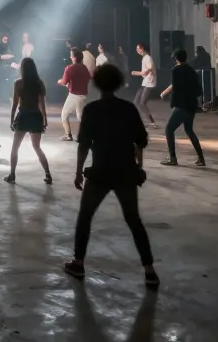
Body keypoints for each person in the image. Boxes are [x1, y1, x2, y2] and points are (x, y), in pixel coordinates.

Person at [64, 63, 159, 288]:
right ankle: (149, 270)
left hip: (100, 172)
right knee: (133, 220)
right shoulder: (128, 109)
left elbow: (84, 145)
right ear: (117, 83)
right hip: (125, 171)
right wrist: (139, 166)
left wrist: (78, 172)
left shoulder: (92, 110)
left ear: (97, 84)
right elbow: (141, 140)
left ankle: (78, 263)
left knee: (85, 216)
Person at [5, 57, 51, 185]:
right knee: (37, 147)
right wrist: (45, 119)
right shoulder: (39, 83)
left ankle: (12, 175)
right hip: (36, 116)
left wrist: (12, 119)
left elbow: (15, 103)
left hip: (24, 116)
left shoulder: (18, 83)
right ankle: (48, 174)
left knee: (15, 147)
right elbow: (42, 103)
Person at [160, 48, 205, 166]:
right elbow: (197, 89)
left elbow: (174, 86)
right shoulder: (191, 70)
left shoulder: (175, 69)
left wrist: (164, 93)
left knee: (169, 129)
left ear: (175, 58)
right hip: (191, 105)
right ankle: (201, 158)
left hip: (181, 105)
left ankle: (173, 158)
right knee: (189, 130)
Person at [57, 48, 91, 142]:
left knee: (64, 114)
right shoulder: (84, 67)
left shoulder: (69, 68)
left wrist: (60, 81)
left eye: (71, 55)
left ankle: (68, 135)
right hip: (83, 95)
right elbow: (88, 79)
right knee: (81, 117)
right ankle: (87, 135)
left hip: (73, 95)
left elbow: (64, 82)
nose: (70, 57)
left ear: (75, 57)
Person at [129, 43, 158, 127]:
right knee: (136, 101)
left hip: (149, 83)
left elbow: (146, 72)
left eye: (139, 48)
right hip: (145, 82)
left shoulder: (148, 58)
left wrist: (135, 73)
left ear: (144, 49)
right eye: (137, 49)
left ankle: (153, 122)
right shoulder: (145, 58)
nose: (138, 50)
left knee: (142, 103)